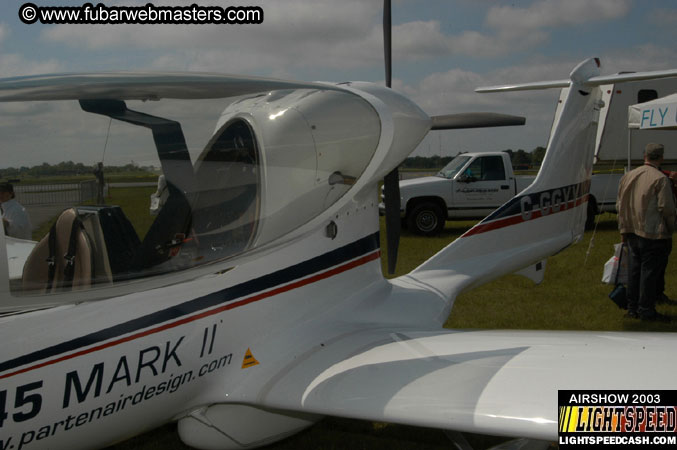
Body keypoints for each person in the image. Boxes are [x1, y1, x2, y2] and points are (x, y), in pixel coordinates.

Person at [616, 143, 676, 321]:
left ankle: (632, 307)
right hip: (652, 233)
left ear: (645, 156)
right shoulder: (659, 179)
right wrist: (672, 226)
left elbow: (620, 205)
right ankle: (646, 310)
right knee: (649, 273)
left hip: (632, 230)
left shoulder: (628, 176)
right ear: (661, 158)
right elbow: (666, 208)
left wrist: (623, 229)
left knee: (635, 271)